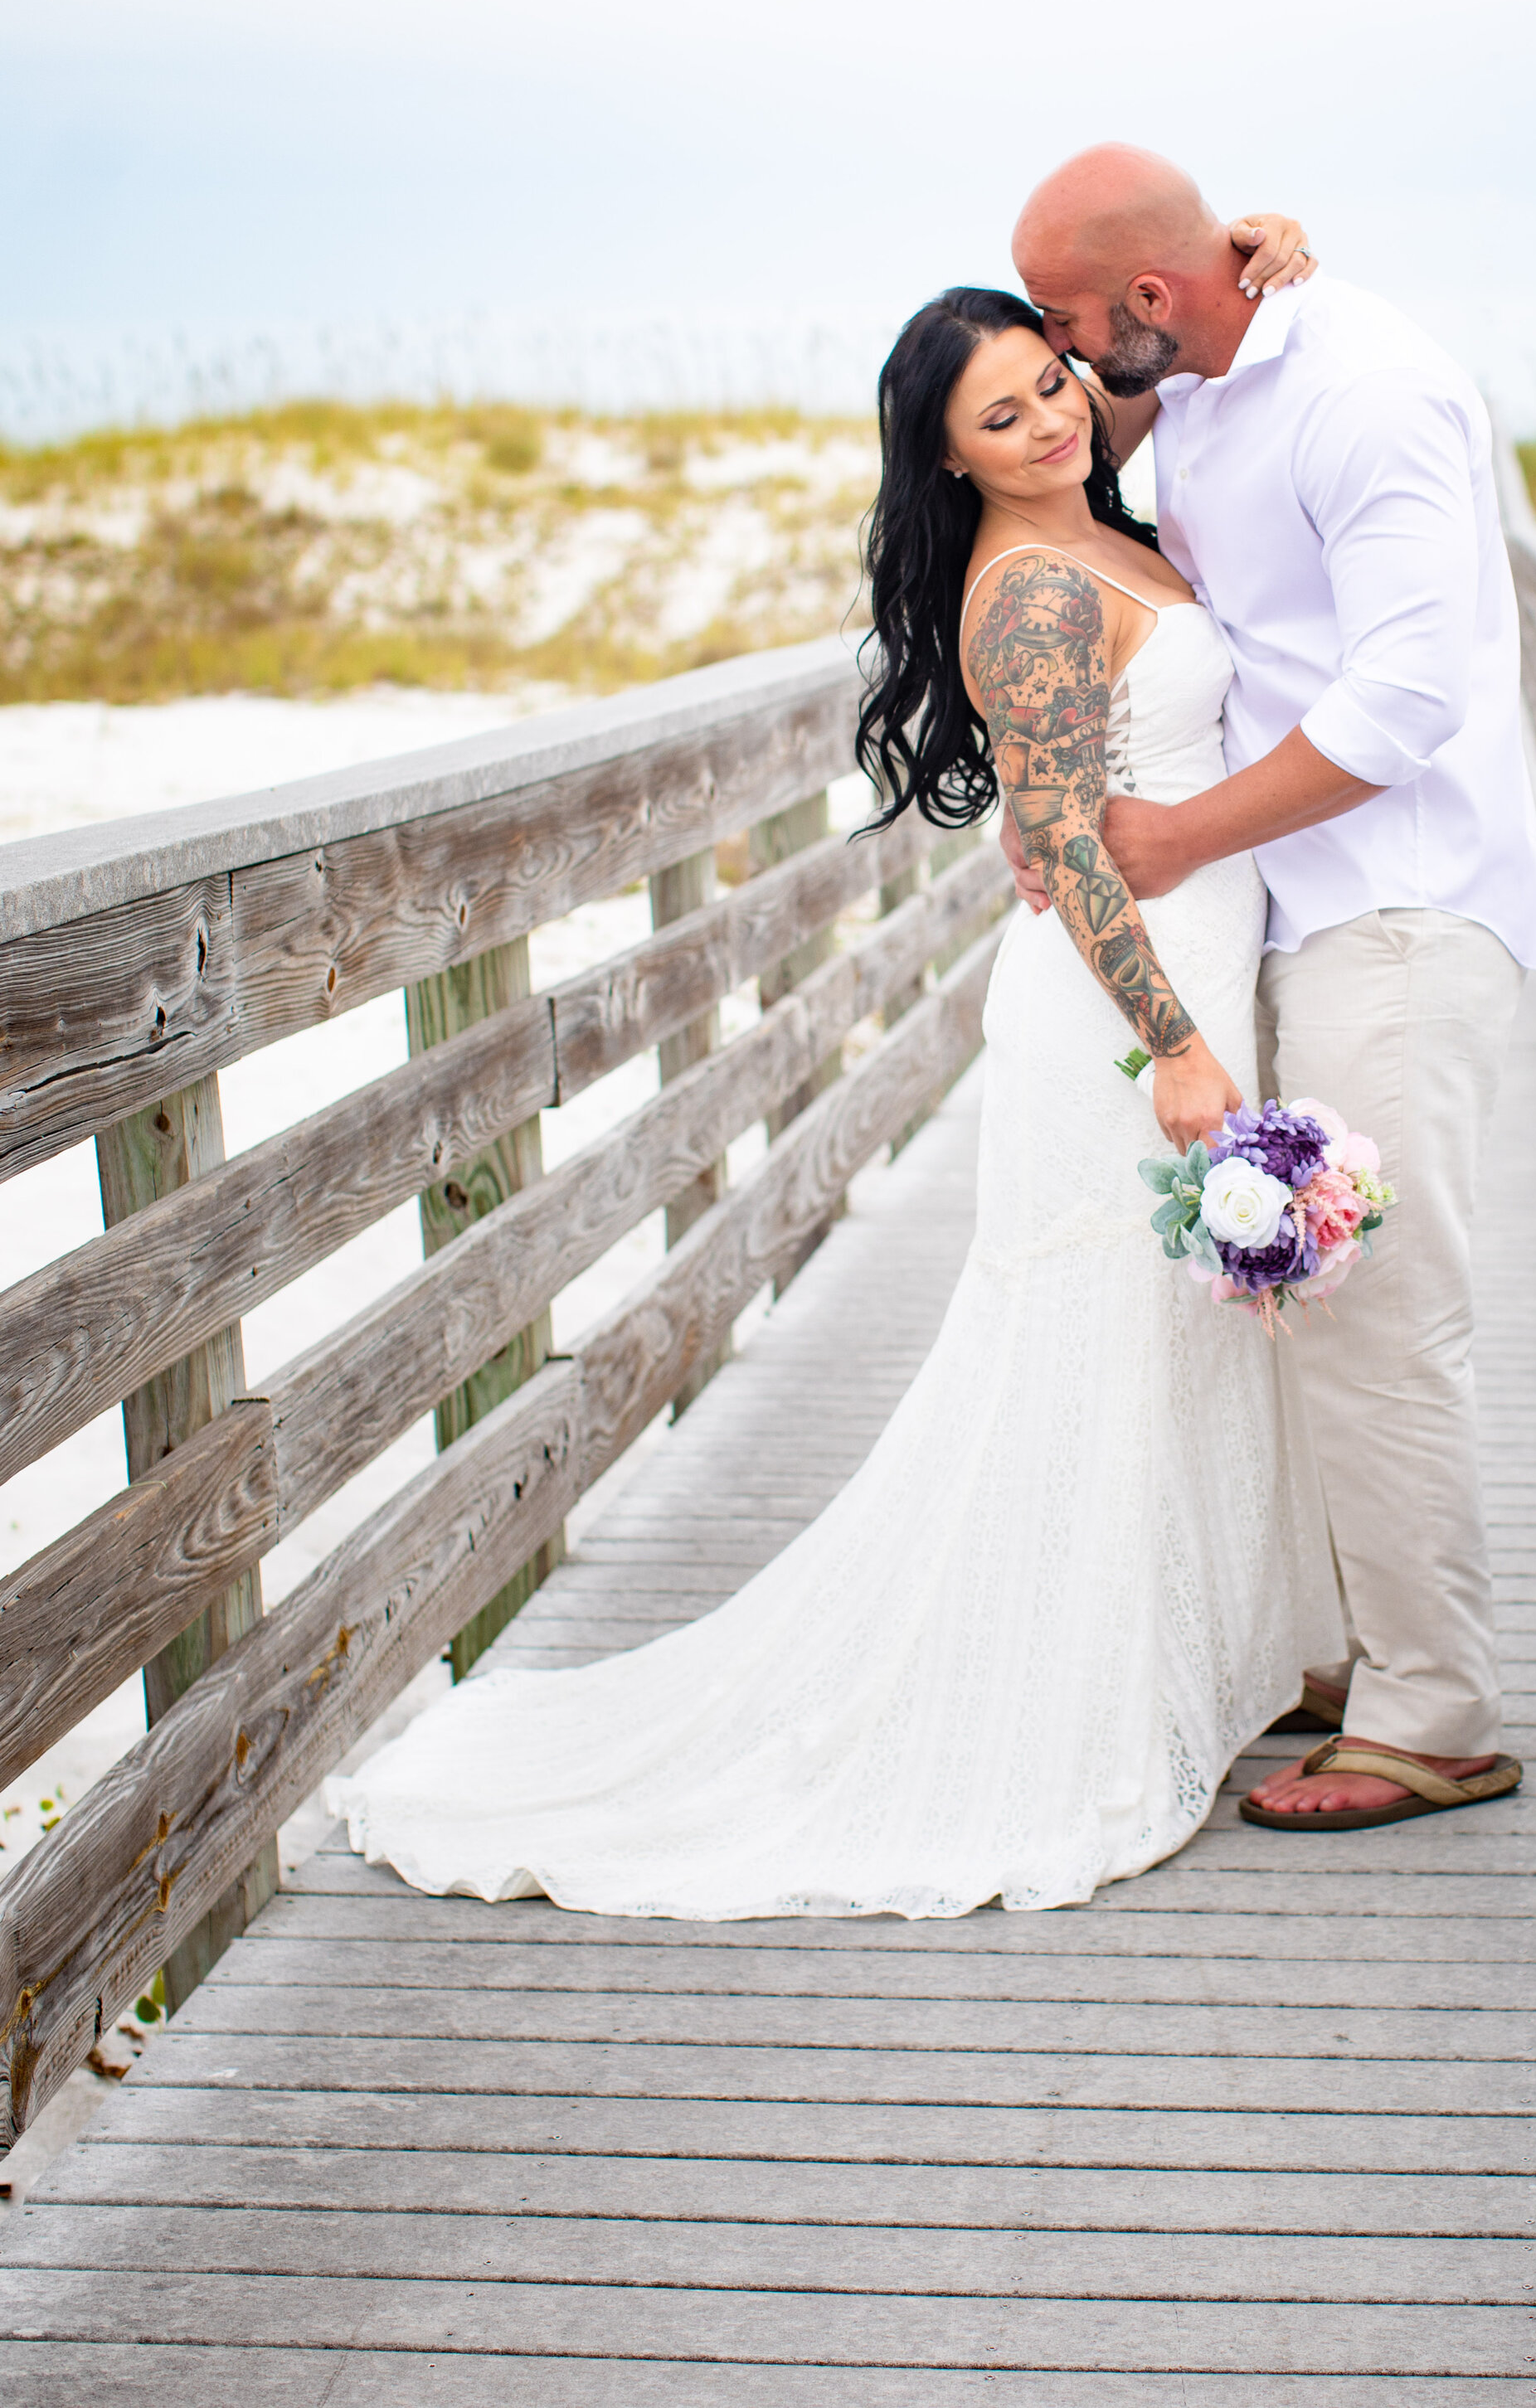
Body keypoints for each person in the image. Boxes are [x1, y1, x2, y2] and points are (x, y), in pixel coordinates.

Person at [327, 213, 1342, 1919]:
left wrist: (1264, 268)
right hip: (1118, 1015)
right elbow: (1066, 846)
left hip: (1201, 976)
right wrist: (1172, 1052)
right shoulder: (1028, 588)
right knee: (1093, 1334)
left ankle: (1202, 1655)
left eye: (1049, 386)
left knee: (1177, 1332)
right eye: (999, 418)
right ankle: (1059, 1703)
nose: (1045, 423)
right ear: (945, 460)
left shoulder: (1098, 507)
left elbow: (1163, 386)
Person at [1008, 143, 1536, 1833]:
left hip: (1393, 910)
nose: (1059, 356)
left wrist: (1170, 837)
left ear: (1148, 304)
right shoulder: (1200, 374)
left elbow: (1401, 705)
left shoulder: (1369, 392)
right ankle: (1355, 1652)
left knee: (1382, 1315)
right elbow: (1032, 453)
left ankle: (1432, 1714)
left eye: (1070, 322)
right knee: (1299, 1298)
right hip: (1286, 914)